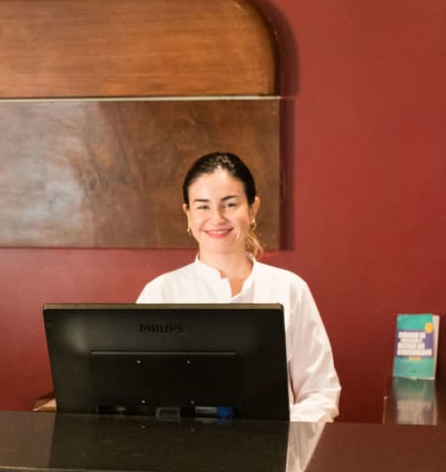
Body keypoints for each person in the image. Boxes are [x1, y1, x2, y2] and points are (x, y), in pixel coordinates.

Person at [137, 152, 340, 423]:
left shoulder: (290, 288)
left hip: (274, 456)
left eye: (230, 204)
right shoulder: (159, 293)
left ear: (252, 209)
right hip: (181, 455)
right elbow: (139, 394)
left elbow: (321, 391)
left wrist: (281, 440)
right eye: (203, 206)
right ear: (187, 214)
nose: (217, 217)